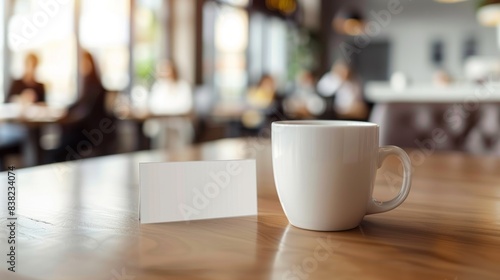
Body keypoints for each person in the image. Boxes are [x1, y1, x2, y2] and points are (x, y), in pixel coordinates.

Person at [49, 50, 114, 162]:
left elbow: (88, 113)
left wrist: (71, 118)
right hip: (83, 130)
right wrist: (66, 110)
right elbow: (78, 103)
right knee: (57, 147)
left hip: (89, 133)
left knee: (56, 152)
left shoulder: (96, 88)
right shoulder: (87, 83)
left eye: (83, 62)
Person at [146, 59, 194, 149]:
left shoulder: (183, 86)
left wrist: (167, 110)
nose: (165, 72)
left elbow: (186, 107)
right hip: (161, 126)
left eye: (167, 69)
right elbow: (153, 106)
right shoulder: (159, 87)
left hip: (180, 125)